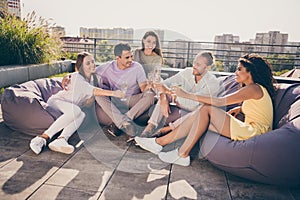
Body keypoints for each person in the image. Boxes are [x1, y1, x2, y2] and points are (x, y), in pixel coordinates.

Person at [135, 53, 276, 166]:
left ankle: (165, 146)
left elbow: (219, 101)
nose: (235, 72)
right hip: (252, 129)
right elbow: (259, 108)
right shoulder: (253, 89)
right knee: (200, 116)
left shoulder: (253, 88)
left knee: (206, 109)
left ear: (250, 71)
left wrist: (186, 95)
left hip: (255, 133)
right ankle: (174, 151)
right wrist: (240, 108)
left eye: (239, 69)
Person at [29, 52, 125, 155]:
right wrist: (114, 93)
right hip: (57, 102)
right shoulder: (77, 77)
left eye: (92, 62)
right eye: (87, 63)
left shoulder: (92, 79)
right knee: (76, 111)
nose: (92, 65)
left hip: (72, 108)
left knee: (81, 114)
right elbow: (94, 91)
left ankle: (61, 139)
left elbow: (89, 97)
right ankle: (42, 138)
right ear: (81, 67)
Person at [140, 51, 220, 137]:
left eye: (198, 64)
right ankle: (150, 127)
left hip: (196, 111)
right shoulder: (187, 72)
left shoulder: (212, 83)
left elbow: (194, 105)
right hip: (182, 104)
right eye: (194, 62)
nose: (194, 66)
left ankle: (165, 130)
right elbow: (166, 83)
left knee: (197, 113)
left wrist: (173, 95)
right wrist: (163, 97)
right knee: (164, 94)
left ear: (207, 67)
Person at [95, 43, 155, 139]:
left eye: (131, 56)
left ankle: (123, 122)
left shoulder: (137, 67)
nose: (130, 60)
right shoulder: (106, 68)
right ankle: (124, 123)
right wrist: (69, 77)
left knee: (150, 95)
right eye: (127, 57)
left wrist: (149, 86)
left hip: (131, 100)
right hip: (115, 98)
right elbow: (86, 72)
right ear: (117, 58)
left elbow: (143, 88)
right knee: (98, 94)